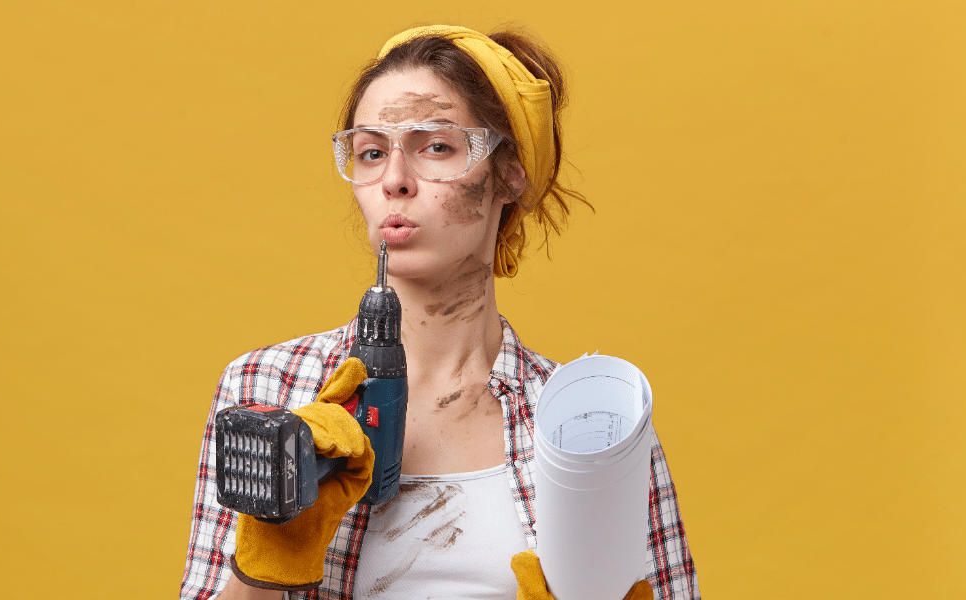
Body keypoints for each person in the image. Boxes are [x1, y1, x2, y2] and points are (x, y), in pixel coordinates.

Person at [180, 24, 700, 600]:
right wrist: (272, 554)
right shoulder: (270, 390)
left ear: (509, 173)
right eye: (372, 153)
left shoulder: (588, 422)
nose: (394, 182)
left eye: (435, 147)